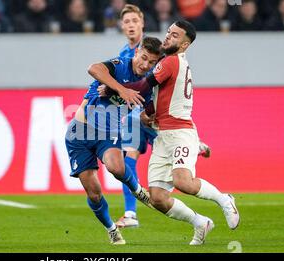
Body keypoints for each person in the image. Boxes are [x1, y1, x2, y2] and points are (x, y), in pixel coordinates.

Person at [102, 20, 240, 245]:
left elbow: (143, 87)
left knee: (183, 181)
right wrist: (148, 111)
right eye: (168, 32)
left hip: (180, 131)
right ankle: (199, 222)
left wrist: (111, 87)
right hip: (162, 134)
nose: (168, 37)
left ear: (184, 44)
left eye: (174, 36)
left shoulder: (172, 62)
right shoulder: (169, 61)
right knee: (157, 197)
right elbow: (150, 97)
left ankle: (225, 199)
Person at [114, 4, 211, 229]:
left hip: (154, 115)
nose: (130, 25)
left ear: (142, 24)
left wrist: (149, 110)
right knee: (127, 157)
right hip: (137, 115)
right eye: (126, 22)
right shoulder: (123, 53)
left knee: (166, 141)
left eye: (134, 21)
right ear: (121, 26)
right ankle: (131, 213)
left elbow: (157, 83)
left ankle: (194, 143)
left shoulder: (156, 48)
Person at [64, 37, 163, 245]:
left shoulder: (147, 85)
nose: (144, 64)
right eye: (143, 58)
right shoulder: (119, 65)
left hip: (108, 133)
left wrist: (150, 117)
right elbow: (93, 68)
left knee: (116, 167)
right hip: (79, 134)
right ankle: (111, 228)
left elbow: (147, 112)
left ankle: (138, 190)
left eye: (151, 62)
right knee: (94, 193)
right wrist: (120, 89)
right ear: (136, 53)